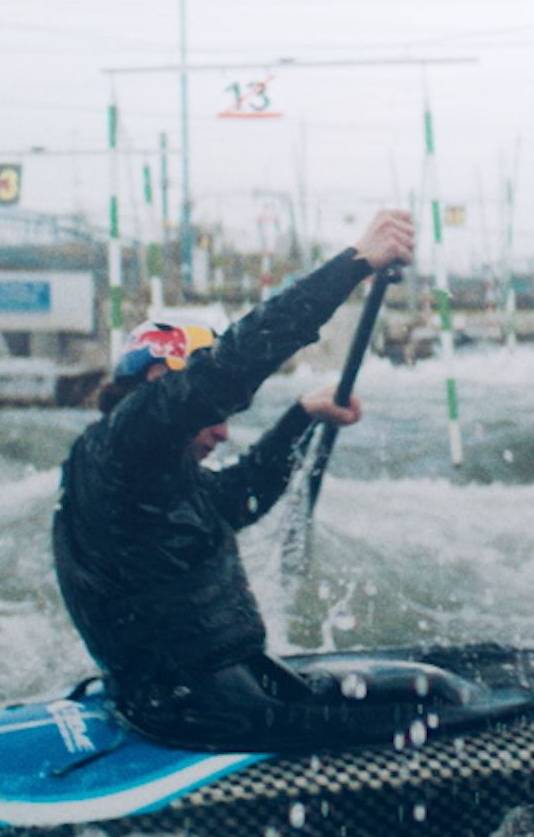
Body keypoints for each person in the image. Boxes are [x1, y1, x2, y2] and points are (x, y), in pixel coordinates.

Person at [54, 207, 425, 753]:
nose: (224, 434)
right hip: (184, 708)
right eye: (214, 416)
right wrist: (355, 265)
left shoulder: (155, 473)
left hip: (227, 682)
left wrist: (302, 415)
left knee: (427, 692)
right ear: (160, 380)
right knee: (409, 730)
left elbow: (241, 498)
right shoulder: (121, 446)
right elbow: (234, 363)